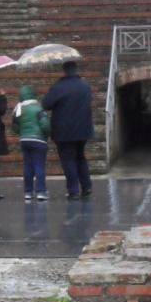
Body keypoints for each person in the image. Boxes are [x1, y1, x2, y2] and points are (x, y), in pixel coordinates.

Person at [41, 61, 94, 200]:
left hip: (64, 131)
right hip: (83, 129)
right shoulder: (85, 86)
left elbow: (46, 104)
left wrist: (52, 90)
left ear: (64, 71)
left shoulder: (59, 87)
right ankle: (86, 186)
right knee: (80, 157)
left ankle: (73, 190)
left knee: (68, 160)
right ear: (76, 70)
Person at [11, 84, 50, 201]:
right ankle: (41, 192)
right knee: (39, 165)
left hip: (25, 140)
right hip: (39, 140)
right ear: (33, 95)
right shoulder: (38, 108)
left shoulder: (18, 109)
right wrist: (47, 135)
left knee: (28, 166)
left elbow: (15, 127)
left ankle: (28, 192)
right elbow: (45, 125)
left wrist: (23, 133)